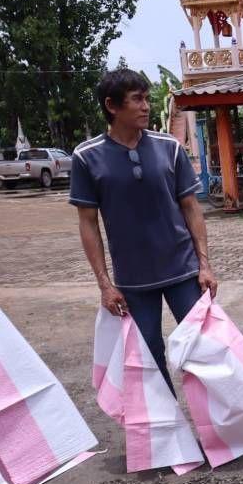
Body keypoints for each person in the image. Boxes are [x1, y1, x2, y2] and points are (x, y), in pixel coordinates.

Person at [70, 69, 217, 390]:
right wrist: (104, 285)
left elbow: (191, 208)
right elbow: (88, 224)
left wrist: (204, 265)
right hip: (133, 283)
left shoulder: (170, 148)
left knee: (205, 352)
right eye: (137, 99)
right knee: (148, 360)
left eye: (147, 99)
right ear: (112, 105)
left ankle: (220, 434)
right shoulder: (86, 157)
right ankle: (168, 436)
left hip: (183, 272)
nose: (146, 106)